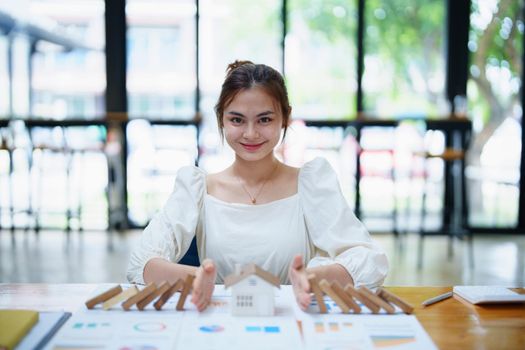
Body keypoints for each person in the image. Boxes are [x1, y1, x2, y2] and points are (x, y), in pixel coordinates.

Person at [127, 60, 388, 311]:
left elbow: (369, 261)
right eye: (237, 120)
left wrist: (311, 278)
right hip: (219, 323)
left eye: (264, 120)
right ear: (221, 120)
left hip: (293, 322)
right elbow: (141, 262)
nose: (250, 134)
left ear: (285, 118)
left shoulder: (311, 184)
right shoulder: (198, 188)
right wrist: (194, 278)